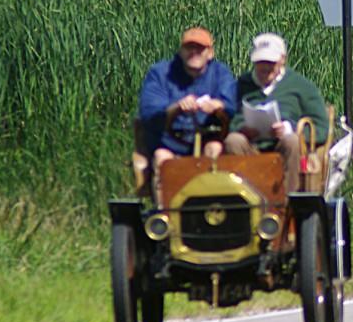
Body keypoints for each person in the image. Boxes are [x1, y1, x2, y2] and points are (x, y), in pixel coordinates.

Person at [138, 27, 236, 200]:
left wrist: (218, 105)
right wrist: (175, 108)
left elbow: (234, 104)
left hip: (208, 138)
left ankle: (211, 206)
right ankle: (166, 216)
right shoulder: (161, 73)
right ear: (181, 51)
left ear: (210, 53)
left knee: (215, 150)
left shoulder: (221, 73)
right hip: (170, 143)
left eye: (200, 49)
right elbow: (149, 112)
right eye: (189, 48)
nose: (194, 53)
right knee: (163, 158)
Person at [224, 33, 328, 193]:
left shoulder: (301, 86)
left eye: (270, 63)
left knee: (292, 141)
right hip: (252, 146)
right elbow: (231, 118)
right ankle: (244, 197)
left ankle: (286, 202)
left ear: (282, 60)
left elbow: (321, 127)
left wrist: (290, 129)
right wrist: (243, 128)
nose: (265, 67)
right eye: (260, 62)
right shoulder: (242, 84)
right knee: (233, 141)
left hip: (282, 147)